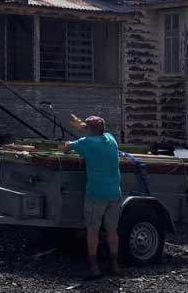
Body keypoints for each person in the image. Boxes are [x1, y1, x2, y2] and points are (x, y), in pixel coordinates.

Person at [62, 115, 122, 279]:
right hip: (114, 192)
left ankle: (94, 266)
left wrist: (79, 134)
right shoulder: (111, 139)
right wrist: (86, 128)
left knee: (93, 230)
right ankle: (115, 264)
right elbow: (97, 132)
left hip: (96, 194)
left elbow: (66, 148)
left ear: (88, 130)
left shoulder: (85, 143)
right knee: (112, 230)